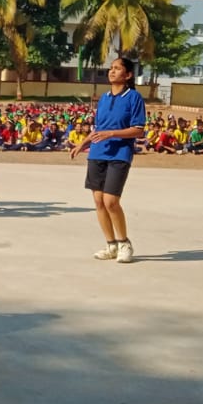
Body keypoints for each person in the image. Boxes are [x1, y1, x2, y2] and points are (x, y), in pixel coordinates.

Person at [70, 55, 146, 263]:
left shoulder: (134, 98)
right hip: (97, 153)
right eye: (111, 68)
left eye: (117, 68)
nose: (112, 71)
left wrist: (112, 134)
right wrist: (82, 144)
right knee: (98, 201)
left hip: (119, 154)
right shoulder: (103, 98)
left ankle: (124, 243)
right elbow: (98, 129)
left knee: (111, 201)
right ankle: (111, 245)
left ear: (128, 75)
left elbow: (138, 130)